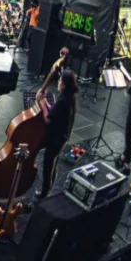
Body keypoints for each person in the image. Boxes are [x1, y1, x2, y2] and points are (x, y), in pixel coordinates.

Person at [39, 69, 79, 198]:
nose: (58, 82)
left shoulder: (63, 101)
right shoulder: (69, 98)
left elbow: (47, 119)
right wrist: (45, 102)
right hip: (62, 136)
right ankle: (49, 188)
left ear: (64, 84)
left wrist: (40, 102)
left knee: (48, 164)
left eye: (60, 80)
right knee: (53, 163)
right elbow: (53, 112)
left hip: (56, 138)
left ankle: (44, 193)